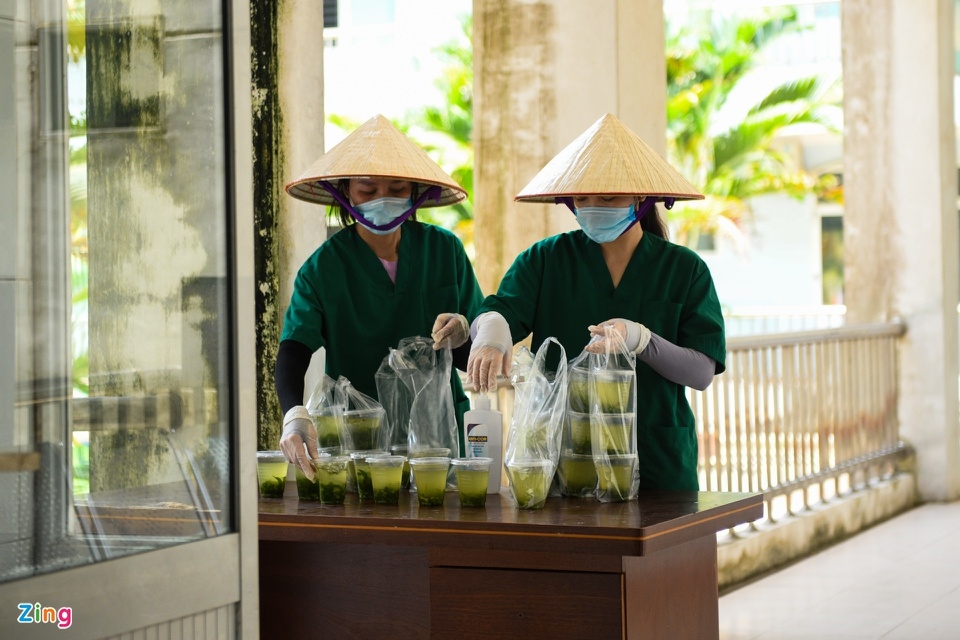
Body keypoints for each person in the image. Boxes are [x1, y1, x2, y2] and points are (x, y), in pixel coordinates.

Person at [466, 113, 725, 491]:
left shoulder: (684, 269)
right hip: (561, 465)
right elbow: (502, 311)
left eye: (607, 196)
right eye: (582, 197)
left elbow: (701, 372)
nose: (592, 206)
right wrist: (489, 335)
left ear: (641, 195)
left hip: (658, 465)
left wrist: (641, 340)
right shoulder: (544, 260)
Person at [278, 115, 483, 480]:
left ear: (415, 193)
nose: (382, 200)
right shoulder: (323, 269)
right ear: (344, 191)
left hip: (439, 439)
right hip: (358, 441)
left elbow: (471, 359)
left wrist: (465, 334)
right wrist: (293, 417)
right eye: (367, 190)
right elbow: (294, 350)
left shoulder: (445, 251)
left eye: (398, 188)